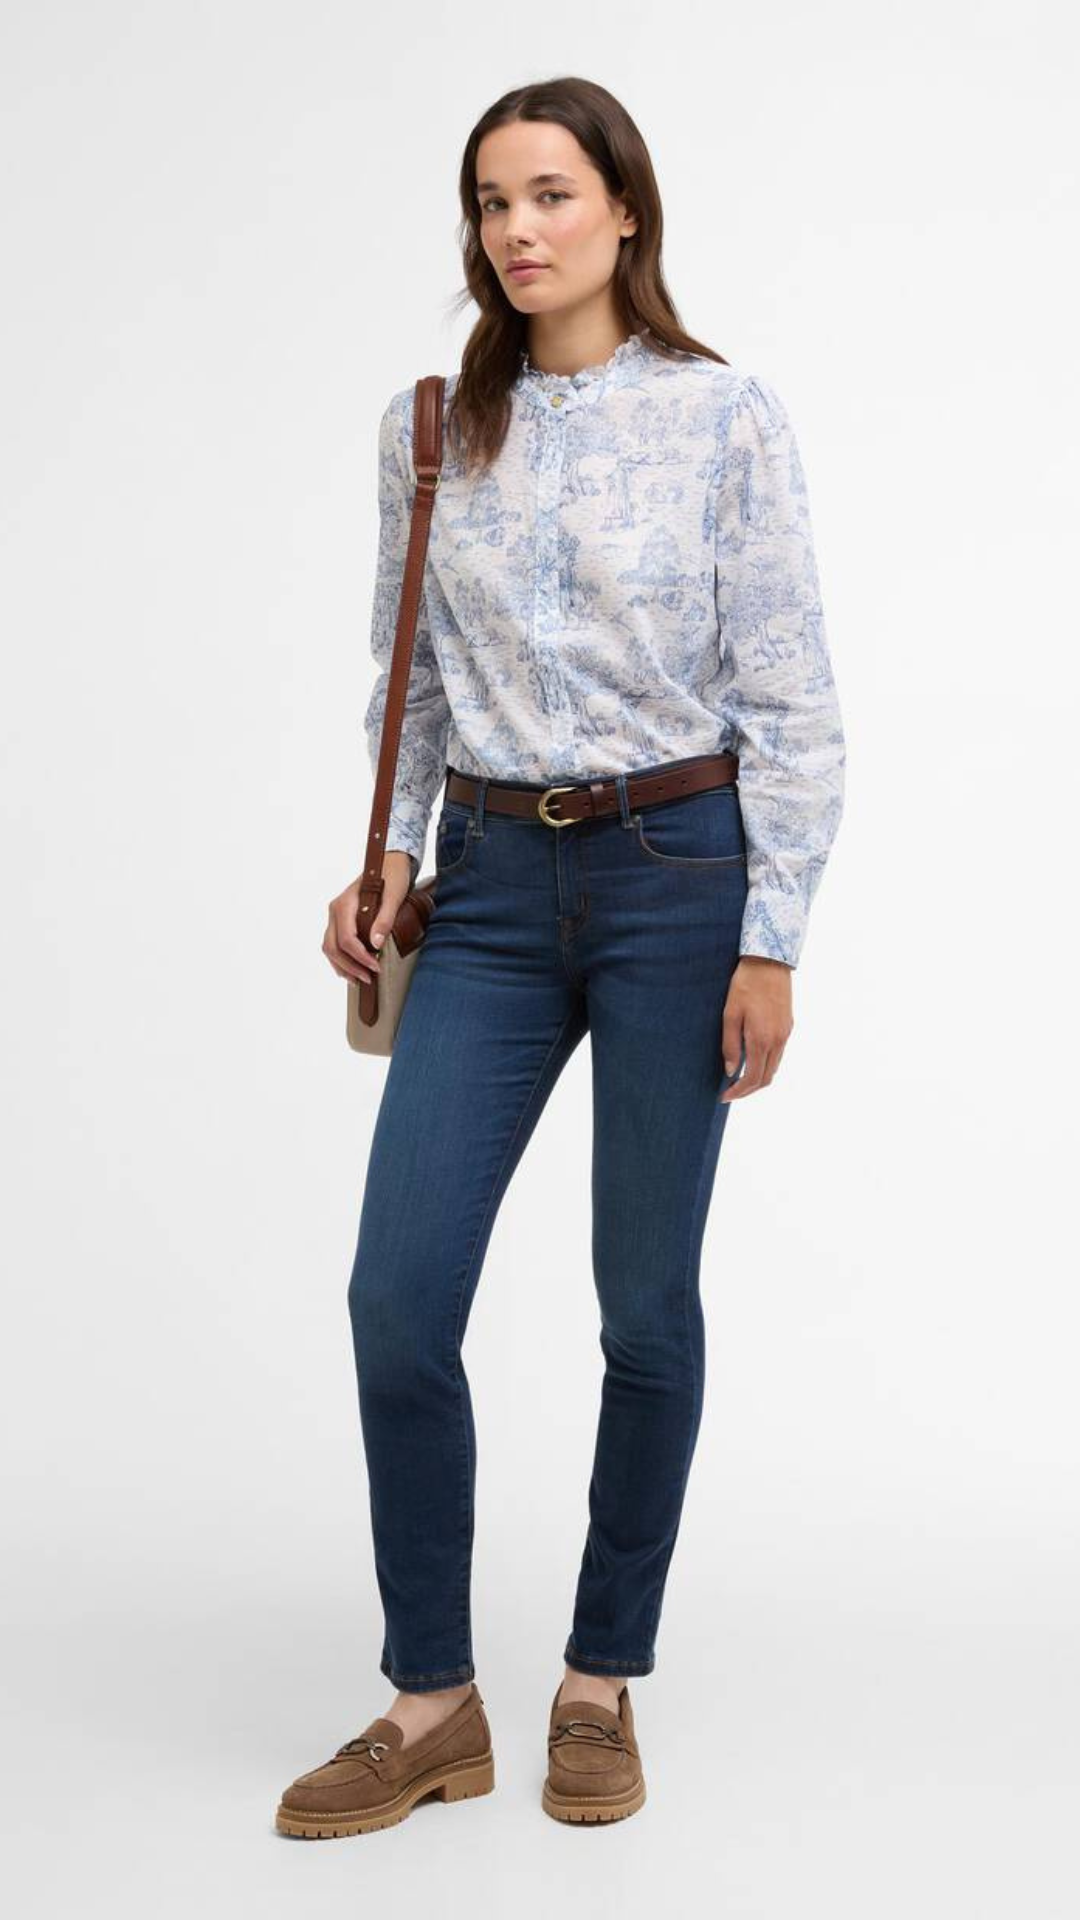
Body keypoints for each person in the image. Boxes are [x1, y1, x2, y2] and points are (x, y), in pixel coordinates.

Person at [276, 74, 845, 1838]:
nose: (515, 229)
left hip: (683, 878)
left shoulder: (724, 415)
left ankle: (600, 1679)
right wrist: (387, 856)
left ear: (623, 210)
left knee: (645, 1306)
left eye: (547, 194)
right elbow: (411, 680)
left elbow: (791, 692)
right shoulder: (434, 426)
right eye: (490, 202)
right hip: (493, 892)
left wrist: (773, 939)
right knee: (396, 1296)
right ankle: (430, 1700)